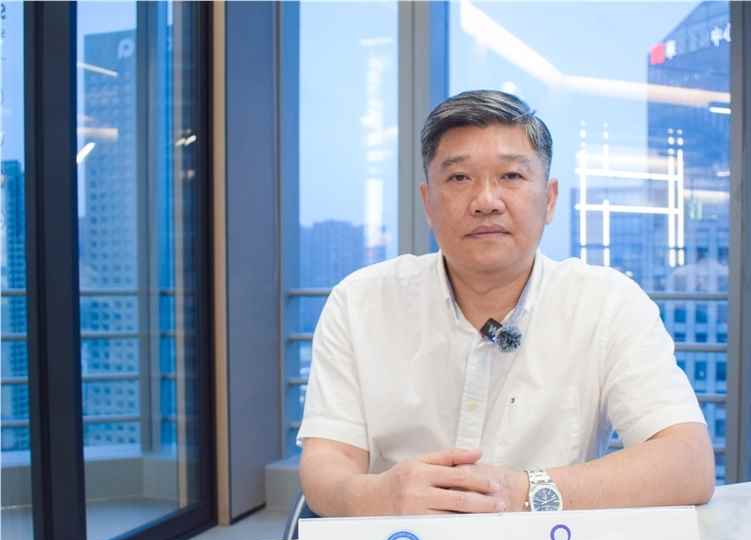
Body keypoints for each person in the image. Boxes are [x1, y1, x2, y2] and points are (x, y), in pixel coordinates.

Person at [298, 90, 714, 516]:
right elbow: (326, 466)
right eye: (459, 178)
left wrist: (520, 492)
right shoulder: (360, 303)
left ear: (549, 199)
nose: (485, 201)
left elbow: (688, 463)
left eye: (511, 176)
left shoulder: (607, 304)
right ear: (428, 203)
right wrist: (380, 497)